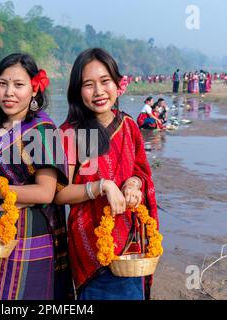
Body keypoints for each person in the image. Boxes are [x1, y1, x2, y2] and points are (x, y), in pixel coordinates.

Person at [0, 53, 74, 300]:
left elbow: (46, 192)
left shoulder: (42, 130)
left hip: (28, 233)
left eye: (18, 85)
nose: (9, 92)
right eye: (2, 84)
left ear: (34, 89)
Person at [54, 48, 159, 300]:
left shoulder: (130, 126)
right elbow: (59, 193)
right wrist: (102, 185)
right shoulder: (69, 133)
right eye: (88, 85)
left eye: (105, 81)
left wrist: (133, 185)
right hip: (90, 243)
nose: (99, 91)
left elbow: (140, 172)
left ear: (117, 84)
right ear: (78, 92)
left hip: (131, 243)